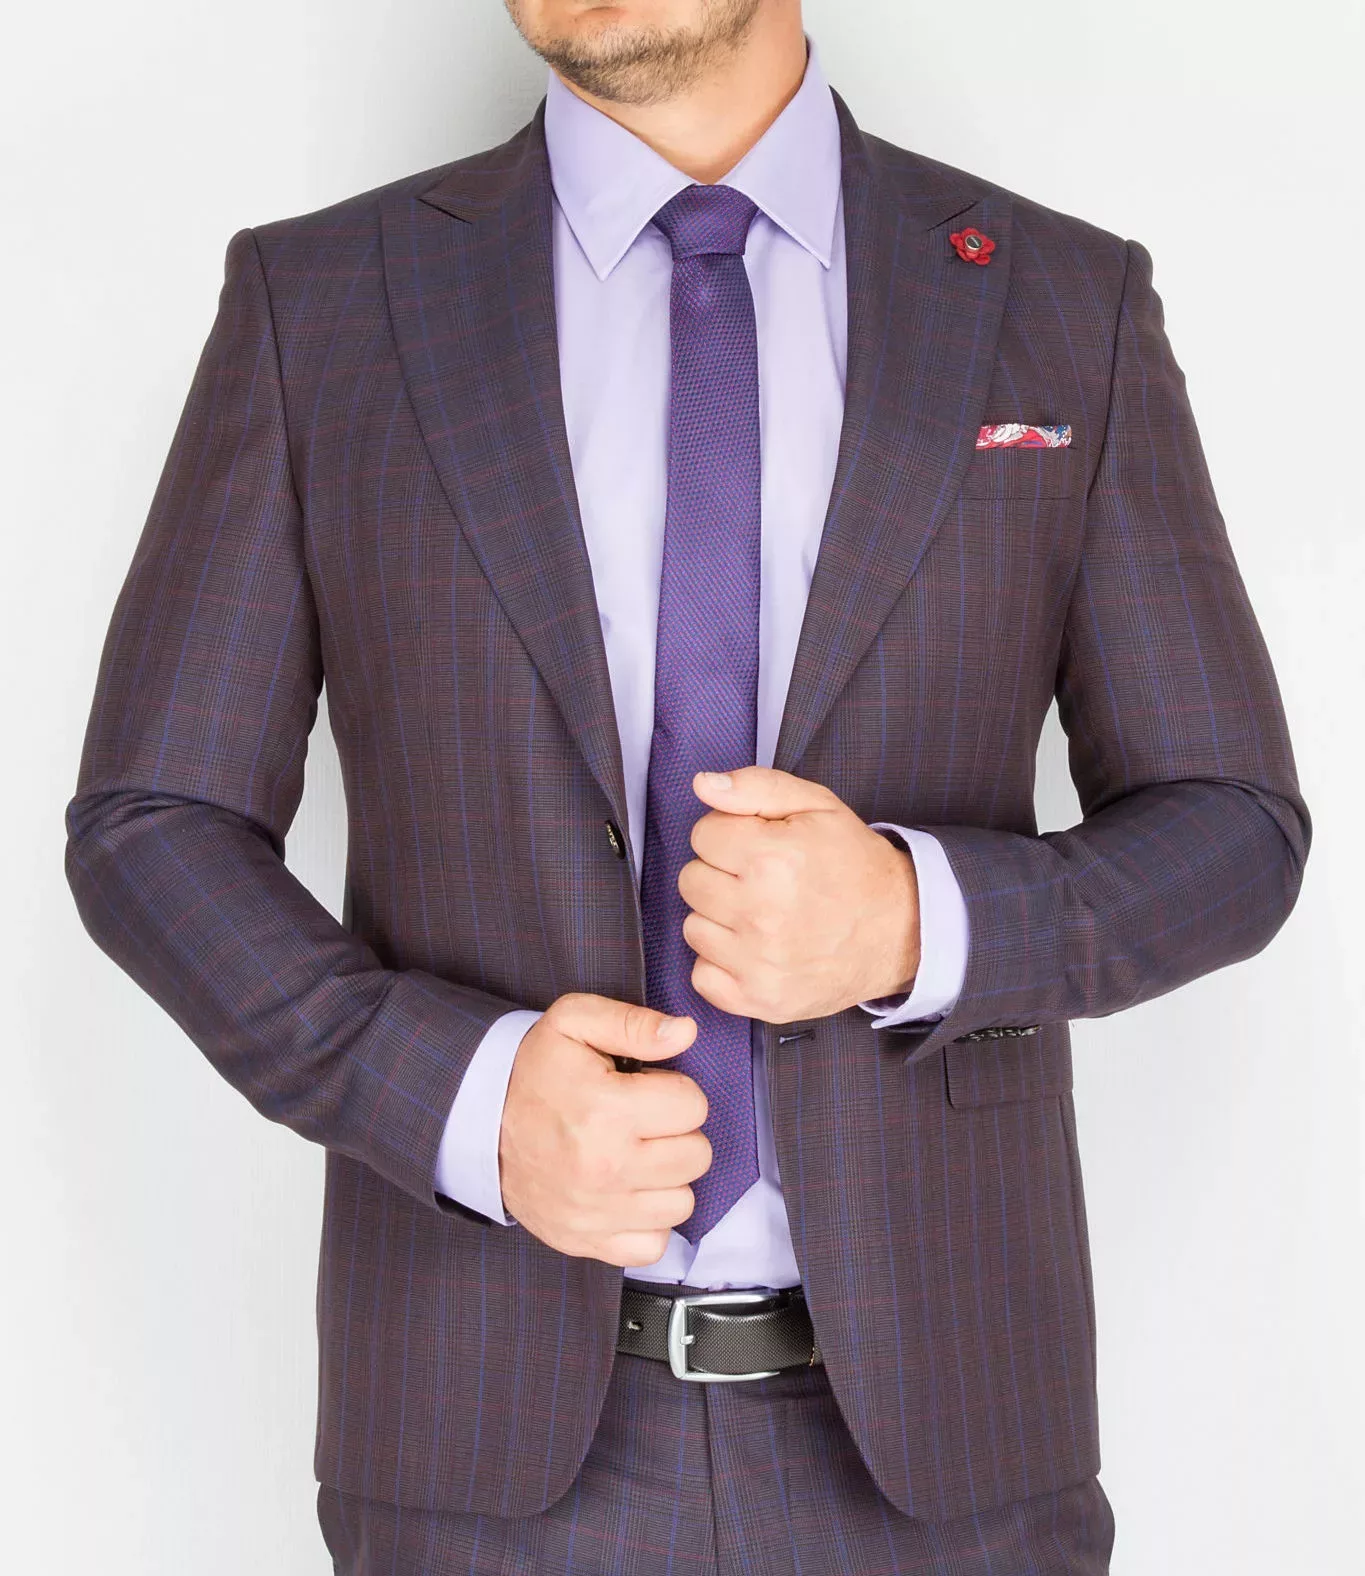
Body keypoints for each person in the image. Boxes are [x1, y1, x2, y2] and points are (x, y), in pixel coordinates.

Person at [64, 1, 1310, 1571]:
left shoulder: (1063, 298)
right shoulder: (322, 302)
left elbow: (1232, 825)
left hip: (951, 1438)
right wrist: (460, 1099)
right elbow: (153, 824)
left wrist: (917, 921)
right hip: (478, 1445)